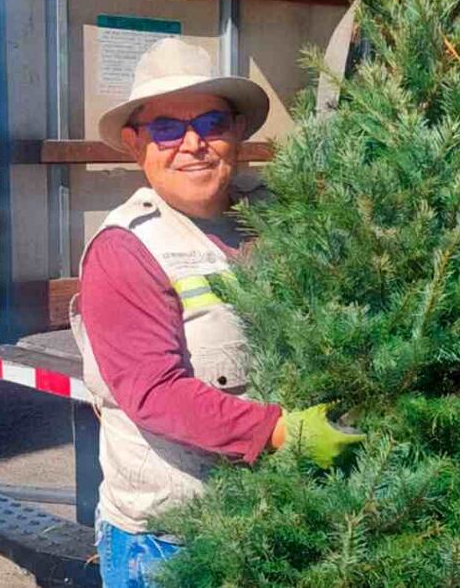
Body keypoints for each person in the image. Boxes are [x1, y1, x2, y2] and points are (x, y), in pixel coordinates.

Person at [70, 38, 364, 586]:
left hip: (273, 519)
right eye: (165, 128)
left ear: (237, 134)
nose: (192, 144)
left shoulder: (276, 218)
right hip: (169, 543)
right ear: (137, 145)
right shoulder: (126, 250)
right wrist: (282, 433)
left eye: (211, 123)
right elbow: (157, 395)